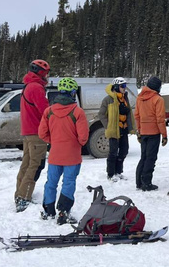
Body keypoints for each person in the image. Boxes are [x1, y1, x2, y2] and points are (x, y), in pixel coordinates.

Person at [38, 78, 89, 225]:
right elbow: (83, 137)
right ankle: (63, 212)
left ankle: (48, 211)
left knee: (51, 183)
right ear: (73, 93)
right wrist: (75, 144)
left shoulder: (49, 111)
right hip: (72, 156)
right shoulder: (78, 112)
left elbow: (42, 133)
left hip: (55, 154)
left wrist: (53, 141)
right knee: (69, 182)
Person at [14, 59, 51, 212]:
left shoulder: (28, 86)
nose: (47, 77)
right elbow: (45, 110)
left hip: (29, 131)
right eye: (46, 73)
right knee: (35, 165)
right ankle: (23, 197)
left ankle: (20, 193)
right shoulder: (36, 88)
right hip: (37, 132)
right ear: (41, 73)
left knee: (27, 163)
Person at [98, 77, 136, 182]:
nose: (125, 88)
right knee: (113, 152)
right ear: (116, 87)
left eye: (125, 86)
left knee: (124, 151)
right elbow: (101, 114)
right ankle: (110, 174)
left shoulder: (125, 98)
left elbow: (128, 113)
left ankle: (118, 172)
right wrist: (108, 126)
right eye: (122, 86)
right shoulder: (108, 99)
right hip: (114, 130)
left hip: (123, 129)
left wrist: (131, 126)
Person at [134, 76, 168, 191]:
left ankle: (139, 182)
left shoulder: (140, 97)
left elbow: (137, 116)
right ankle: (146, 183)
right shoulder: (158, 99)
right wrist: (164, 135)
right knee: (151, 158)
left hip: (143, 131)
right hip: (154, 132)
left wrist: (139, 131)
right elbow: (160, 119)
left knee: (143, 156)